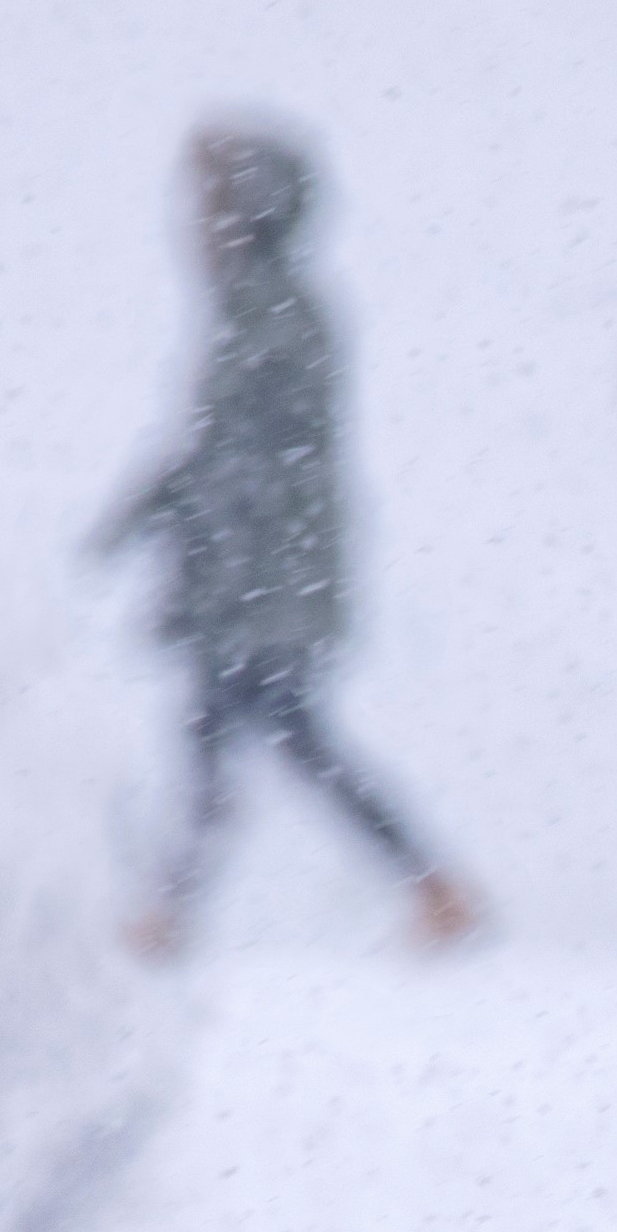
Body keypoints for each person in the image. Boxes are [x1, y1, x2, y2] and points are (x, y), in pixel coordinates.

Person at [98, 121, 480, 958]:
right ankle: (181, 907)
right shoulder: (262, 304)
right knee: (246, 735)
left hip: (261, 568)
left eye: (213, 203)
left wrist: (152, 516)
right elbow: (219, 441)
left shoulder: (270, 308)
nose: (195, 224)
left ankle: (426, 887)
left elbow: (232, 443)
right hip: (258, 563)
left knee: (265, 734)